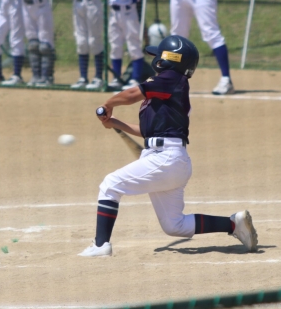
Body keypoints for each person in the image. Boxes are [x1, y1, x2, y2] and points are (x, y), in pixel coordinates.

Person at [79, 35, 258, 257]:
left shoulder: (171, 78)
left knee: (110, 185)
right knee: (174, 226)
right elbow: (147, 132)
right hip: (170, 160)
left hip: (165, 158)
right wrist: (115, 122)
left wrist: (108, 104)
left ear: (169, 60)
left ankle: (100, 245)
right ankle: (233, 224)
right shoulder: (170, 89)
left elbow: (133, 94)